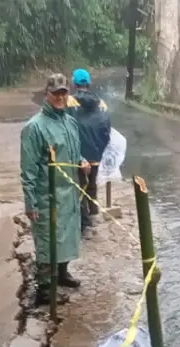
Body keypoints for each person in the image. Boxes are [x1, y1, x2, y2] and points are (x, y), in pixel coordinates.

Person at [20, 73, 91, 304]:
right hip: (47, 195)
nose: (60, 97)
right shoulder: (34, 128)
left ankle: (62, 273)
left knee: (68, 235)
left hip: (69, 191)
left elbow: (72, 150)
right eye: (56, 93)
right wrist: (30, 202)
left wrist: (81, 161)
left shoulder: (70, 122)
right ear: (46, 95)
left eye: (64, 92)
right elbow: (28, 169)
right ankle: (44, 288)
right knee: (47, 239)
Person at [67, 68, 111, 233]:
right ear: (89, 83)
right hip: (95, 153)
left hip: (76, 154)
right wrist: (99, 150)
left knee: (78, 185)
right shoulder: (102, 103)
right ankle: (93, 212)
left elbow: (65, 128)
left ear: (74, 83)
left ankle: (83, 222)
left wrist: (77, 154)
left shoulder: (68, 102)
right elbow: (107, 130)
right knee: (92, 183)